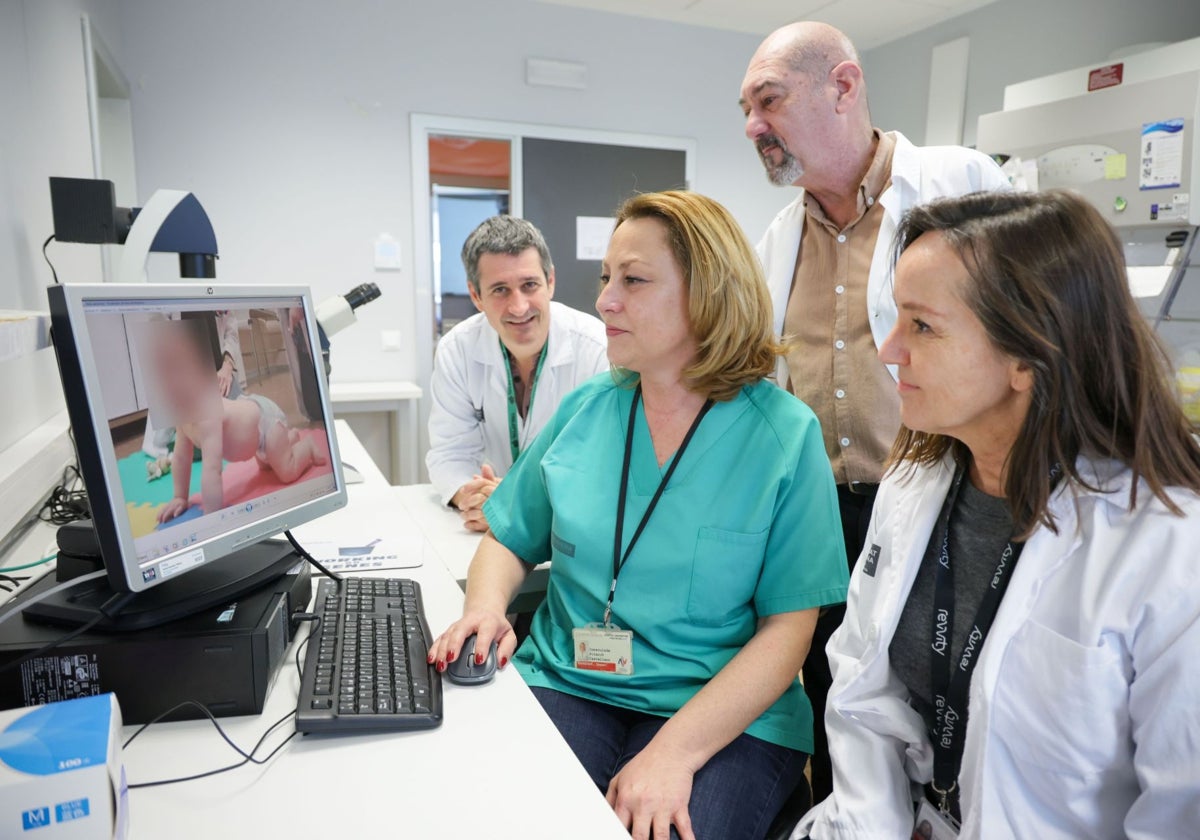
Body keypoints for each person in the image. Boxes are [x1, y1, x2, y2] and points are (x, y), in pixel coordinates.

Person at [429, 191, 848, 840]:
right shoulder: (590, 407)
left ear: (706, 294)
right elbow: (509, 539)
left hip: (712, 703)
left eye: (633, 281)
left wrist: (675, 752)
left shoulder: (783, 436)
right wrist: (484, 607)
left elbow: (788, 630)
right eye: (605, 279)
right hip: (571, 676)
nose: (604, 302)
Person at [795, 190, 1200, 838]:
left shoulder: (1168, 546)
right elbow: (862, 686)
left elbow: (1180, 810)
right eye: (895, 318)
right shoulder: (915, 484)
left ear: (1027, 357)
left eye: (922, 326)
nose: (889, 349)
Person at [738, 20, 1011, 801]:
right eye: (746, 110)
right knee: (839, 691)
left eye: (770, 100)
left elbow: (1031, 324)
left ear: (844, 86)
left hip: (943, 497)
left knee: (942, 695)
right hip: (823, 508)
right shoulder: (780, 236)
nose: (755, 125)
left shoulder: (958, 183)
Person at [426, 215, 607, 531]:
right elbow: (449, 453)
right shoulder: (457, 349)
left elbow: (602, 467)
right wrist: (469, 496)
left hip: (568, 527)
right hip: (486, 526)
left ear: (550, 282)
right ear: (475, 295)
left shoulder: (596, 348)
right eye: (500, 290)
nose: (519, 307)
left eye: (529, 285)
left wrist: (513, 505)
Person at [148, 318, 326, 523]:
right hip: (251, 429)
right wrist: (180, 497)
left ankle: (308, 446)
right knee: (267, 467)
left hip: (265, 422)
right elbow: (181, 457)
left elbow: (213, 470)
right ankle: (290, 438)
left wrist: (211, 520)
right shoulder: (183, 415)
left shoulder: (208, 414)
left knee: (287, 471)